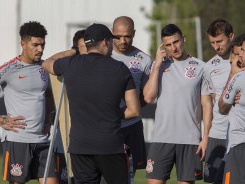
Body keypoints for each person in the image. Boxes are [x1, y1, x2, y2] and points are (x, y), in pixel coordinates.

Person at [42, 23, 140, 184]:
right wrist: (111, 114)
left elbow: (47, 62)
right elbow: (134, 110)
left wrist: (74, 51)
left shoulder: (70, 64)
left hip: (80, 146)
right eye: (111, 41)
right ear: (105, 42)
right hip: (110, 145)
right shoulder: (120, 68)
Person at [0, 21, 58, 184]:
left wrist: (48, 118)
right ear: (23, 44)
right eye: (36, 44)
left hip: (44, 140)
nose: (40, 49)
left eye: (43, 44)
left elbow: (48, 95)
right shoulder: (9, 69)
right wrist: (0, 120)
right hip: (18, 141)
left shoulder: (45, 67)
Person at [143, 24, 213, 184]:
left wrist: (205, 138)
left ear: (184, 39)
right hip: (161, 138)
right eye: (168, 45)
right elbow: (148, 97)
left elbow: (207, 105)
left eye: (176, 42)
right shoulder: (159, 66)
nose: (173, 48)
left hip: (190, 140)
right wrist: (157, 66)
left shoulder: (201, 67)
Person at [111, 16, 152, 179]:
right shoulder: (103, 56)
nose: (122, 40)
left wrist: (129, 109)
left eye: (127, 36)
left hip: (132, 126)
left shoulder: (144, 60)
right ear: (112, 33)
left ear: (134, 33)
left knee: (129, 175)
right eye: (118, 36)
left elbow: (146, 96)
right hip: (107, 125)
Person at [54, 29, 87, 184]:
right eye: (81, 48)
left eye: (88, 46)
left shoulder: (104, 65)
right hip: (68, 131)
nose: (85, 51)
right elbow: (49, 62)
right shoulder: (70, 65)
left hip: (92, 136)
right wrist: (73, 51)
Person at [203, 19, 234, 184]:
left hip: (238, 136)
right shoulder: (208, 67)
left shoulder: (241, 61)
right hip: (217, 134)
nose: (216, 46)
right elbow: (211, 102)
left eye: (219, 41)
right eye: (213, 42)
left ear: (231, 36)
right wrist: (206, 136)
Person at [218, 35, 245, 183]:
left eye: (242, 51)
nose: (237, 57)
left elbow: (222, 108)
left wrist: (233, 75)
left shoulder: (238, 78)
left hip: (239, 147)